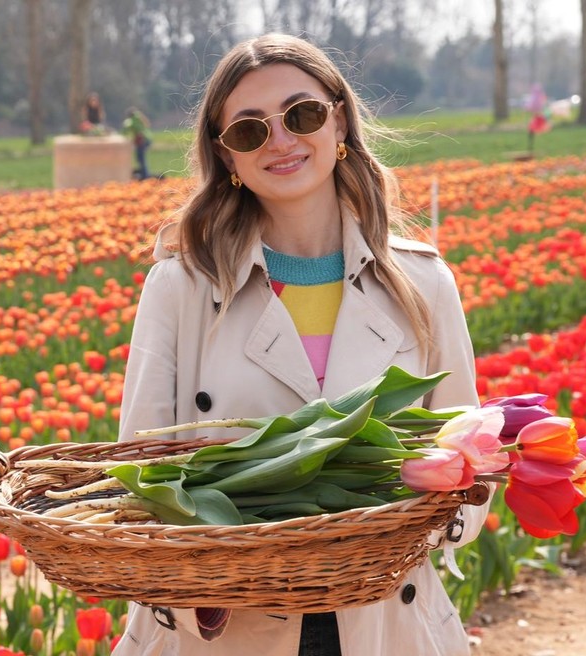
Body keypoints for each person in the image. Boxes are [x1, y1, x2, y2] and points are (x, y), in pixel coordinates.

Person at [112, 33, 488, 656]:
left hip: (384, 619)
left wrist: (414, 528)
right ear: (226, 156)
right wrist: (199, 586)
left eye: (301, 114)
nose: (281, 140)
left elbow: (468, 463)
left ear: (338, 119)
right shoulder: (181, 288)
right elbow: (139, 475)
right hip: (228, 628)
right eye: (249, 131)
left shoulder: (423, 285)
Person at [122, 107, 153, 179]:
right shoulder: (140, 118)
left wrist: (123, 134)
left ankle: (145, 175)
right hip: (147, 139)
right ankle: (144, 174)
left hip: (141, 140)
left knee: (140, 158)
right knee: (141, 158)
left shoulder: (132, 120)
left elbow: (126, 127)